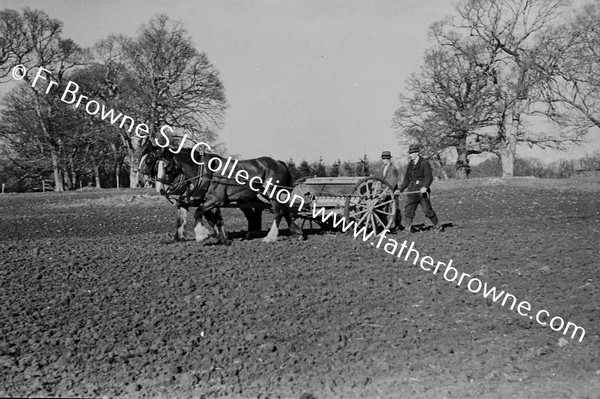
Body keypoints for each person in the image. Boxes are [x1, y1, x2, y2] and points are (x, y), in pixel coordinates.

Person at [398, 144, 442, 233]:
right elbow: (406, 180)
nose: (410, 155)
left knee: (427, 211)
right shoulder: (410, 164)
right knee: (408, 210)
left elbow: (429, 178)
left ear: (417, 153)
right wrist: (400, 189)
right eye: (409, 153)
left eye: (412, 153)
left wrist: (425, 187)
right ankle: (407, 229)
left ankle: (437, 226)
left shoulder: (424, 163)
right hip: (412, 191)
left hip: (422, 192)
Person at [377, 151, 403, 232]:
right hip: (383, 192)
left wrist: (387, 191)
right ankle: (385, 225)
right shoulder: (382, 169)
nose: (383, 160)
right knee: (384, 209)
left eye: (385, 159)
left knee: (394, 209)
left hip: (391, 191)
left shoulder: (393, 169)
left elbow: (393, 182)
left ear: (389, 159)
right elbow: (380, 180)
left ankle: (395, 226)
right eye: (383, 158)